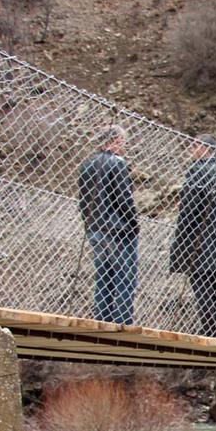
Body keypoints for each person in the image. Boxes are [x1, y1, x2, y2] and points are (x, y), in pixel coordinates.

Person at [170, 134, 216, 338]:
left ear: (204, 147)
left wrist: (179, 243)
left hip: (200, 242)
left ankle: (210, 330)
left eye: (194, 145)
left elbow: (189, 212)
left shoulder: (198, 171)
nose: (191, 149)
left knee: (202, 286)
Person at [78, 125, 139, 324]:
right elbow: (124, 198)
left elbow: (83, 199)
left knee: (103, 275)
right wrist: (133, 222)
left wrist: (89, 222)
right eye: (122, 141)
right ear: (117, 141)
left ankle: (102, 318)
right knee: (124, 277)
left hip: (95, 226)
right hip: (118, 229)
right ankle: (122, 321)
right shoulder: (117, 163)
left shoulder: (87, 165)